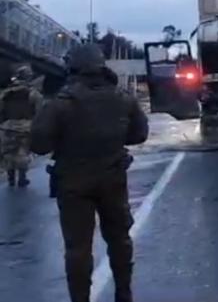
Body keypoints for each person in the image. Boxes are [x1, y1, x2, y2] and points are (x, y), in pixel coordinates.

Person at [31, 43, 149, 302]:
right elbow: (139, 134)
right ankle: (124, 294)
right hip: (113, 180)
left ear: (72, 67)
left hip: (73, 183)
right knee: (119, 239)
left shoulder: (59, 104)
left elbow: (38, 145)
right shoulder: (123, 98)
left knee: (77, 249)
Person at [0, 64, 43, 187]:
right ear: (29, 78)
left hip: (7, 127)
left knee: (9, 153)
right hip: (25, 127)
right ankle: (22, 178)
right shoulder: (33, 94)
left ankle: (10, 177)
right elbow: (39, 112)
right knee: (22, 152)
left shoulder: (6, 93)